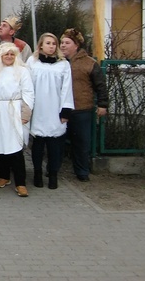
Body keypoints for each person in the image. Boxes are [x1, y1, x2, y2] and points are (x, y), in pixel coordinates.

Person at [0, 43, 35, 197]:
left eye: (12, 54)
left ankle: (20, 183)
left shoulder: (22, 71)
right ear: (0, 55)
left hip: (14, 110)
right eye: (6, 54)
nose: (9, 57)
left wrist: (26, 112)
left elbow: (28, 92)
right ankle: (4, 176)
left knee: (15, 146)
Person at [60, 28, 109, 182]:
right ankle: (53, 169)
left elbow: (100, 85)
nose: (62, 45)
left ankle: (82, 171)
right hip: (61, 110)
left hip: (82, 109)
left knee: (81, 143)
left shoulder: (89, 63)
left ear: (76, 45)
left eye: (67, 43)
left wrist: (102, 104)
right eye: (61, 42)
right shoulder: (58, 63)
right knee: (57, 141)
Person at [26, 32, 74, 190]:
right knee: (38, 146)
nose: (51, 46)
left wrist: (65, 111)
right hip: (37, 109)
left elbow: (67, 89)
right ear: (40, 45)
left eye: (54, 43)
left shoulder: (63, 64)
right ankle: (37, 173)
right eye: (48, 43)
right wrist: (27, 109)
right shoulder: (32, 62)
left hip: (55, 109)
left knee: (55, 146)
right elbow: (26, 86)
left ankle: (53, 174)